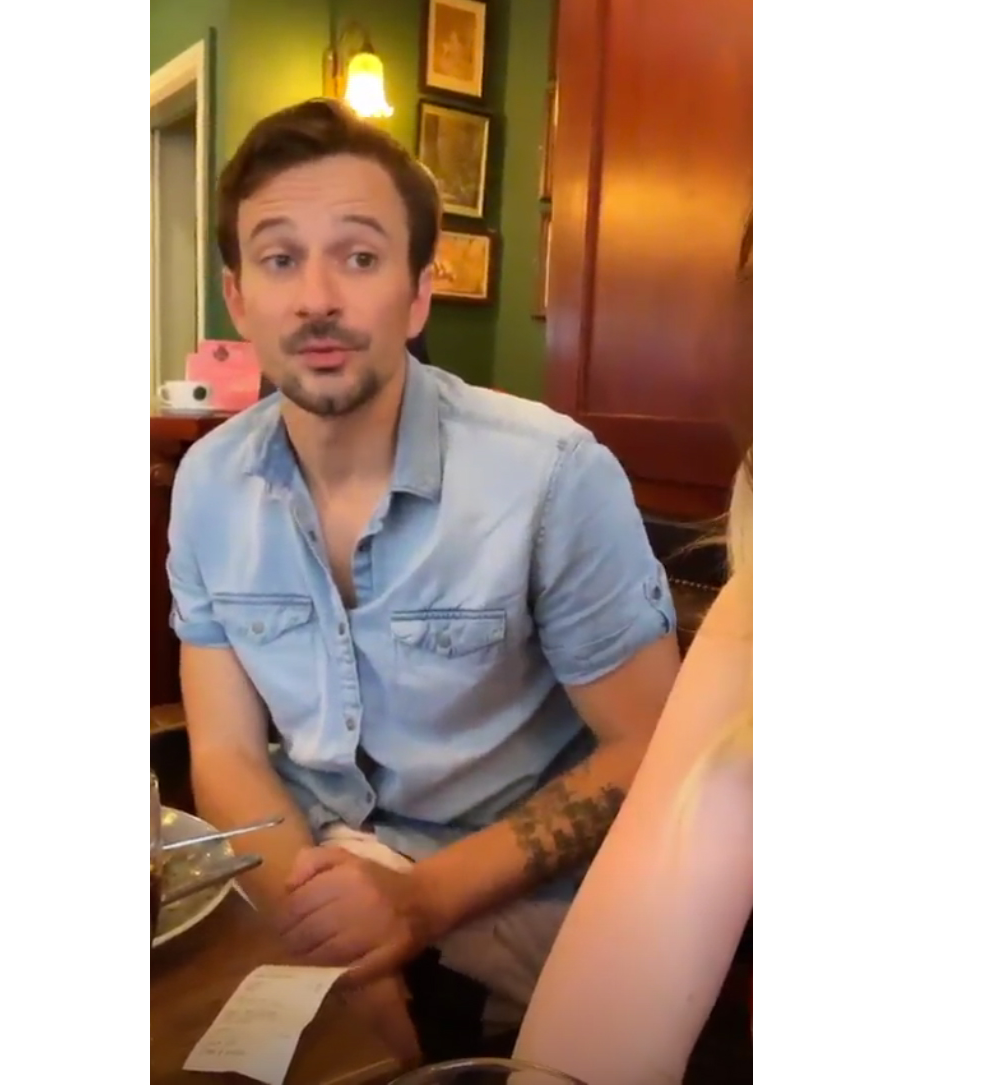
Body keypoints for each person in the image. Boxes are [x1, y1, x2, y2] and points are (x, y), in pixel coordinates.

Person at [165, 97, 682, 1060]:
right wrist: (335, 943)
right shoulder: (206, 484)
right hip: (304, 859)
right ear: (238, 299)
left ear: (415, 293)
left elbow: (650, 746)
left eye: (359, 257)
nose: (317, 297)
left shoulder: (551, 474)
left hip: (509, 883)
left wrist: (417, 903)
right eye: (279, 259)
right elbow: (228, 752)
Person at [513, 224, 754, 1084]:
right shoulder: (760, 613)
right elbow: (594, 1033)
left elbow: (631, 744)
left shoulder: (551, 473)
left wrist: (420, 900)